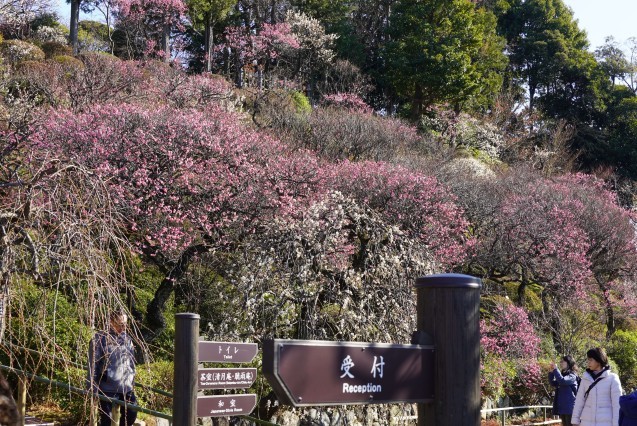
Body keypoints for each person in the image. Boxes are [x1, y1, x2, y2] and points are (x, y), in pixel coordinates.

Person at [87, 311, 137, 426]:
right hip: (107, 388)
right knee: (107, 420)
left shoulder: (127, 339)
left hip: (126, 387)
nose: (123, 327)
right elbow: (93, 365)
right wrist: (92, 387)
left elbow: (131, 361)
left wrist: (132, 378)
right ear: (111, 322)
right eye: (120, 324)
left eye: (125, 324)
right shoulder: (100, 339)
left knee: (132, 413)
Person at [572, 347, 622, 426]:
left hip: (606, 423)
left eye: (591, 360)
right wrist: (575, 420)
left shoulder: (612, 378)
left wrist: (616, 424)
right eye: (588, 360)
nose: (588, 363)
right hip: (586, 422)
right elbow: (579, 400)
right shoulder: (585, 378)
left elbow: (617, 405)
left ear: (599, 360)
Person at [549, 355, 580, 426]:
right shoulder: (562, 375)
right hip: (563, 408)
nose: (561, 363)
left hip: (570, 408)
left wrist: (556, 370)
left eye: (563, 361)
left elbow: (563, 381)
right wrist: (551, 372)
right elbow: (553, 383)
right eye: (560, 361)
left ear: (569, 362)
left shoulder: (572, 375)